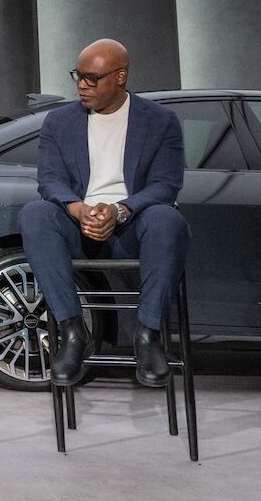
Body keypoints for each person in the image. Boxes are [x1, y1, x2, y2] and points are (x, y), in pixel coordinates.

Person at [19, 39, 190, 387]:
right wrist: (78, 209)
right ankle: (72, 332)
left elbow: (165, 185)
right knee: (35, 214)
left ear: (121, 76)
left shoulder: (160, 122)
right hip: (78, 227)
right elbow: (49, 180)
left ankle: (148, 336)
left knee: (167, 219)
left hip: (132, 228)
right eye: (78, 76)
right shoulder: (59, 122)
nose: (82, 84)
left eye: (92, 78)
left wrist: (121, 210)